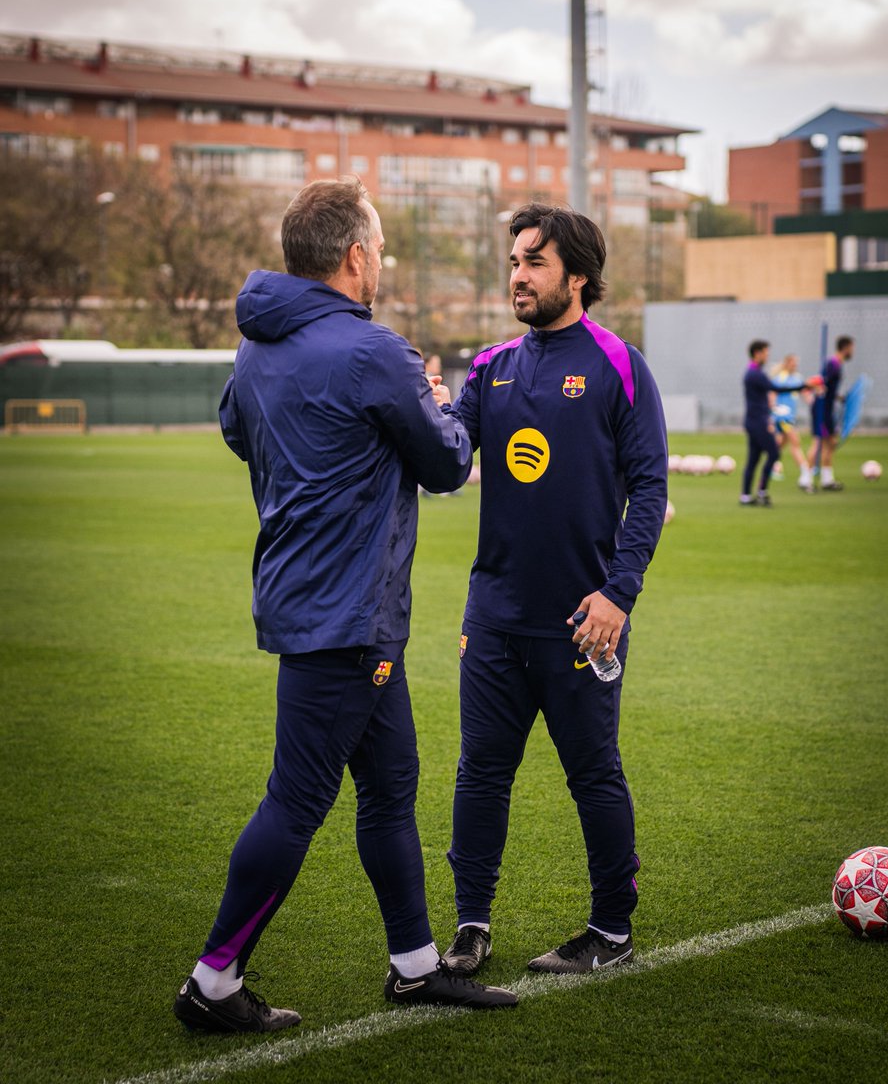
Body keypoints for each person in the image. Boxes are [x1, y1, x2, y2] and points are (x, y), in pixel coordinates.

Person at [173, 178, 517, 1035]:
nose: (385, 262)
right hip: (346, 615)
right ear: (355, 257)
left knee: (391, 786)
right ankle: (212, 982)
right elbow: (445, 466)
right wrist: (441, 406)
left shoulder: (259, 348)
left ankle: (414, 967)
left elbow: (234, 430)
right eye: (383, 248)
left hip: (316, 600)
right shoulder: (373, 351)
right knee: (296, 801)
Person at [440, 202, 668, 978]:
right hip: (494, 617)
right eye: (513, 262)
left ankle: (611, 929)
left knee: (593, 772)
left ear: (577, 274)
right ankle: (471, 925)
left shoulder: (620, 364)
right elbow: (444, 463)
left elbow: (651, 483)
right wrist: (423, 405)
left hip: (583, 622)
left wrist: (617, 595)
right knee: (480, 771)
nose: (518, 275)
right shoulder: (490, 367)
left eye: (534, 262)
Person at [740, 341, 818, 506]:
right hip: (758, 422)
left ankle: (746, 496)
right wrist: (804, 386)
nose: (767, 356)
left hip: (753, 421)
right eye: (765, 353)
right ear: (757, 353)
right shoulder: (755, 374)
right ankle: (761, 492)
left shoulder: (752, 372)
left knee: (754, 459)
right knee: (774, 453)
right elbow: (776, 388)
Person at [806, 335, 855, 491]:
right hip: (821, 409)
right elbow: (818, 381)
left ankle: (827, 479)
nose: (853, 351)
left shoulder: (837, 364)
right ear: (845, 347)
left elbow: (828, 387)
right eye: (852, 348)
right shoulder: (832, 364)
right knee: (818, 442)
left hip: (827, 408)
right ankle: (806, 480)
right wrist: (815, 390)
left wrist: (838, 397)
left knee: (831, 443)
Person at [767, 353, 815, 492]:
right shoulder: (780, 378)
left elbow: (805, 394)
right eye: (793, 362)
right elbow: (772, 394)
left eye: (796, 363)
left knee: (781, 444)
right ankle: (805, 473)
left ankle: (771, 465)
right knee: (795, 442)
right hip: (782, 416)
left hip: (790, 416)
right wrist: (773, 409)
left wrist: (815, 402)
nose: (795, 365)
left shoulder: (798, 378)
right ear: (787, 363)